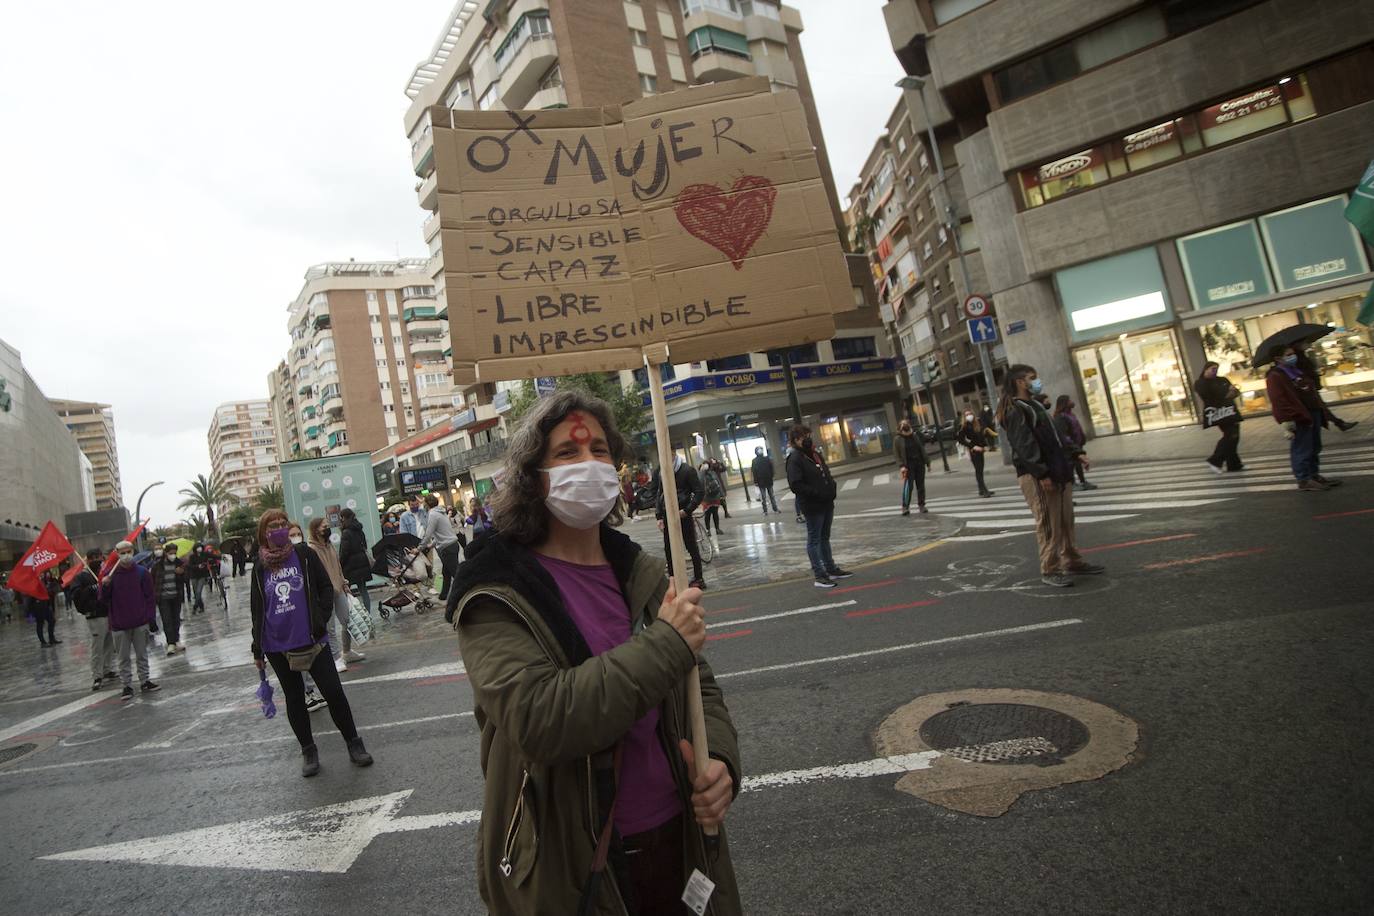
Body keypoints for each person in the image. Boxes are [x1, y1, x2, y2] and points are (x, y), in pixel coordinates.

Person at [446, 389, 742, 915]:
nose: (589, 464)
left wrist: (719, 760)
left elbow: (701, 686)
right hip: (574, 865)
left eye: (600, 450)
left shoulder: (641, 573)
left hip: (679, 839)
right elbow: (541, 718)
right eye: (566, 454)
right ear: (533, 479)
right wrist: (667, 643)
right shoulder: (494, 593)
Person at [250, 509, 373, 776]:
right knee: (295, 699)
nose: (280, 528)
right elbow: (257, 607)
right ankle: (308, 750)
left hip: (312, 639)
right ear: (263, 532)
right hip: (276, 645)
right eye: (274, 525)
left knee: (333, 692)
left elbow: (326, 587)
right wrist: (257, 647)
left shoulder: (304, 555)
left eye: (284, 523)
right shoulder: (259, 566)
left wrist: (321, 617)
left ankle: (354, 743)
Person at [997, 365, 1105, 588]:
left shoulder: (1035, 405)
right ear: (1020, 382)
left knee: (1065, 519)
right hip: (1037, 474)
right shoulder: (1016, 410)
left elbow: (1055, 436)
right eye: (1032, 378)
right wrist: (1042, 472)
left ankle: (1071, 559)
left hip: (1057, 469)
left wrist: (1076, 453)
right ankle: (1050, 568)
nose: (1037, 382)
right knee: (1048, 522)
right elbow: (1025, 445)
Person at [787, 423, 853, 588]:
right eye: (805, 437)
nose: (809, 439)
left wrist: (832, 487)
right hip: (813, 505)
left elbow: (826, 472)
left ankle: (830, 568)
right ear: (796, 440)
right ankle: (820, 575)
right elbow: (796, 484)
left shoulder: (814, 454)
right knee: (814, 540)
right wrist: (817, 493)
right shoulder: (795, 458)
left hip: (826, 503)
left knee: (824, 538)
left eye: (809, 435)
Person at [1267, 345, 1339, 491]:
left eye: (1293, 353)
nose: (1293, 356)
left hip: (1312, 411)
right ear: (1278, 358)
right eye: (1288, 354)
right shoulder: (1275, 375)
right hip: (1299, 415)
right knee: (1302, 448)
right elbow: (1278, 399)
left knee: (1314, 446)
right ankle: (1304, 479)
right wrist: (1287, 419)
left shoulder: (1296, 370)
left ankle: (1313, 475)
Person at [99, 540, 160, 700]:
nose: (126, 555)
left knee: (142, 654)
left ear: (132, 552)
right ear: (117, 554)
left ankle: (145, 681)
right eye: (122, 553)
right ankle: (126, 685)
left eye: (128, 552)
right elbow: (103, 600)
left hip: (140, 622)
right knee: (123, 657)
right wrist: (104, 586)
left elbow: (150, 597)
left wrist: (150, 617)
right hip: (119, 624)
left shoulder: (142, 572)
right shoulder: (110, 576)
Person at [309, 518, 365, 671]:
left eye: (328, 526)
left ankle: (346, 651)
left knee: (347, 620)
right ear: (315, 530)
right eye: (324, 527)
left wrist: (344, 582)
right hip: (324, 593)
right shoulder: (311, 548)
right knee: (330, 627)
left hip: (339, 588)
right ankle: (336, 658)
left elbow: (338, 565)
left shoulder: (329, 545)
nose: (327, 529)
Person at [654, 453, 706, 590]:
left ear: (672, 454)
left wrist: (687, 510)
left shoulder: (687, 470)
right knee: (668, 549)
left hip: (683, 515)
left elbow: (699, 492)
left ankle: (699, 578)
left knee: (691, 546)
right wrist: (659, 516)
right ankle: (673, 581)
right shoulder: (662, 472)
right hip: (667, 516)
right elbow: (659, 494)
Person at [72, 549, 116, 690]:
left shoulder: (103, 573)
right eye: (94, 558)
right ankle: (97, 675)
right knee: (98, 646)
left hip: (107, 613)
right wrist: (92, 588)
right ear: (88, 560)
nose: (98, 560)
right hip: (95, 615)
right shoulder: (82, 577)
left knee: (109, 644)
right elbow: (77, 595)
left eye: (99, 557)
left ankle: (107, 669)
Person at [1194, 362, 1244, 474]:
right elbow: (1208, 395)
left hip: (1229, 410)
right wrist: (1225, 393)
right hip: (1218, 413)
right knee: (1231, 435)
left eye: (1216, 369)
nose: (1215, 371)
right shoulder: (1200, 383)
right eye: (1212, 369)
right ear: (1205, 369)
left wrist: (1233, 392)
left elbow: (1233, 391)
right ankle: (1215, 460)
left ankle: (1234, 464)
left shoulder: (1222, 380)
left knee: (1233, 436)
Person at [419, 494, 463, 604]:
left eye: (424, 503)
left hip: (447, 548)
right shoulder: (441, 512)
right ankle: (443, 597)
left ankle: (465, 593)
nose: (423, 505)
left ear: (427, 504)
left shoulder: (433, 514)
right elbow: (441, 532)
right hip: (452, 544)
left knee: (455, 574)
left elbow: (429, 533)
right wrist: (431, 545)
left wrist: (419, 548)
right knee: (446, 573)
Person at [1052, 396, 1096, 490]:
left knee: (1077, 464)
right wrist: (1071, 445)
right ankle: (1073, 483)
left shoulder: (1071, 415)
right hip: (1070, 445)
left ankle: (1082, 481)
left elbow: (1077, 427)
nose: (1072, 402)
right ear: (1064, 403)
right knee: (1071, 464)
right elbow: (1063, 434)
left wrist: (1082, 438)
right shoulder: (1060, 417)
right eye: (1069, 400)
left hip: (1077, 443)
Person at [151, 543, 187, 655]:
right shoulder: (158, 566)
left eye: (174, 553)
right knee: (167, 620)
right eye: (170, 553)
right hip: (163, 598)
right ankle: (170, 643)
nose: (173, 555)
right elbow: (152, 580)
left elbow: (186, 579)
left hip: (176, 596)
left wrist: (181, 574)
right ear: (166, 553)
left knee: (176, 619)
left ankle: (176, 640)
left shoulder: (179, 564)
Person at [337, 507, 374, 618]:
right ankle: (367, 613)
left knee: (346, 589)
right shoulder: (359, 529)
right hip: (362, 562)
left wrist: (340, 564)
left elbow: (344, 551)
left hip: (351, 565)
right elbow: (365, 546)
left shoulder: (346, 532)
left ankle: (351, 614)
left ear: (343, 518)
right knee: (363, 589)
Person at [955, 411, 996, 498]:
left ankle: (981, 490)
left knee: (980, 470)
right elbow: (961, 439)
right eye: (966, 415)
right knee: (978, 470)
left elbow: (981, 436)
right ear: (964, 417)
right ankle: (984, 490)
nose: (969, 416)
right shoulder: (963, 426)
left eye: (970, 414)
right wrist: (972, 446)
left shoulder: (977, 423)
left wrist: (985, 446)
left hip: (980, 450)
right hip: (973, 451)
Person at [893, 420, 931, 516]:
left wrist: (927, 462)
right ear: (900, 427)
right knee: (908, 487)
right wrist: (901, 466)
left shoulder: (914, 435)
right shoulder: (898, 439)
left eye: (906, 424)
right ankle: (905, 507)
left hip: (919, 463)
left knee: (920, 486)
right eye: (902, 424)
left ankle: (922, 505)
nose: (905, 426)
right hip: (908, 466)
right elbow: (897, 454)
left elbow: (921, 449)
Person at [699, 459, 725, 550]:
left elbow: (718, 483)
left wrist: (722, 494)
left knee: (715, 513)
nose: (706, 466)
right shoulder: (700, 474)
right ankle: (708, 529)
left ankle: (717, 528)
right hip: (706, 498)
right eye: (704, 464)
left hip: (715, 496)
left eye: (707, 464)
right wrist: (702, 471)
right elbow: (700, 482)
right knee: (707, 514)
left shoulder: (713, 473)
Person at [29, 570, 59, 646]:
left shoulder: (42, 580)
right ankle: (43, 642)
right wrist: (30, 611)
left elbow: (45, 590)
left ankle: (51, 639)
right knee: (40, 623)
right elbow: (30, 596)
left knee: (52, 620)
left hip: (45, 604)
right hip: (37, 605)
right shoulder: (32, 582)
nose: (42, 574)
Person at [750, 446, 780, 514]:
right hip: (767, 480)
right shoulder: (766, 459)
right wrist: (772, 476)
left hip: (762, 481)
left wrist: (756, 481)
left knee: (765, 497)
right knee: (770, 496)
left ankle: (766, 510)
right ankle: (773, 509)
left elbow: (754, 472)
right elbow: (771, 468)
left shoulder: (755, 461)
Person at [187, 542, 212, 614]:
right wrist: (198, 566)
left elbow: (213, 556)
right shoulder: (192, 557)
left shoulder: (204, 554)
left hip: (202, 576)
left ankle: (195, 606)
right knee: (196, 593)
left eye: (200, 547)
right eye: (198, 547)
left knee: (198, 591)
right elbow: (190, 566)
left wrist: (221, 557)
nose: (199, 548)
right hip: (194, 576)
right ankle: (201, 606)